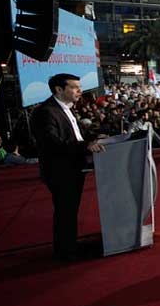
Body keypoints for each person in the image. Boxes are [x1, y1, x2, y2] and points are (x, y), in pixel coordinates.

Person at [31, 73, 105, 261]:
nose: (80, 91)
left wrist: (90, 141)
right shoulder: (46, 112)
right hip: (61, 171)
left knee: (69, 211)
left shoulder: (65, 108)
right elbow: (52, 143)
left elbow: (72, 137)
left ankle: (69, 245)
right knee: (65, 211)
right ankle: (66, 252)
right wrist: (85, 146)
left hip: (73, 167)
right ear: (59, 89)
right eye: (74, 87)